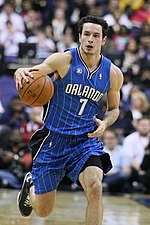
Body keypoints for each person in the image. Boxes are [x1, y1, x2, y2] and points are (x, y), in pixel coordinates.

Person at [14, 15, 123, 225]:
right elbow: (31, 74)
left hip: (84, 140)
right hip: (53, 140)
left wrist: (105, 123)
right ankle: (31, 187)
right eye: (87, 35)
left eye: (96, 35)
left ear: (104, 40)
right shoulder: (63, 60)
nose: (90, 40)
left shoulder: (112, 73)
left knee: (95, 187)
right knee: (44, 212)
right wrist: (21, 71)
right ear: (80, 36)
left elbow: (114, 109)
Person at [102, 129, 131, 193]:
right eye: (107, 138)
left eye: (112, 138)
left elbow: (127, 170)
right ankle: (105, 185)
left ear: (116, 139)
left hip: (116, 176)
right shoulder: (100, 151)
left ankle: (106, 184)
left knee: (123, 175)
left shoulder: (123, 151)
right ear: (104, 140)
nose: (110, 141)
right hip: (102, 175)